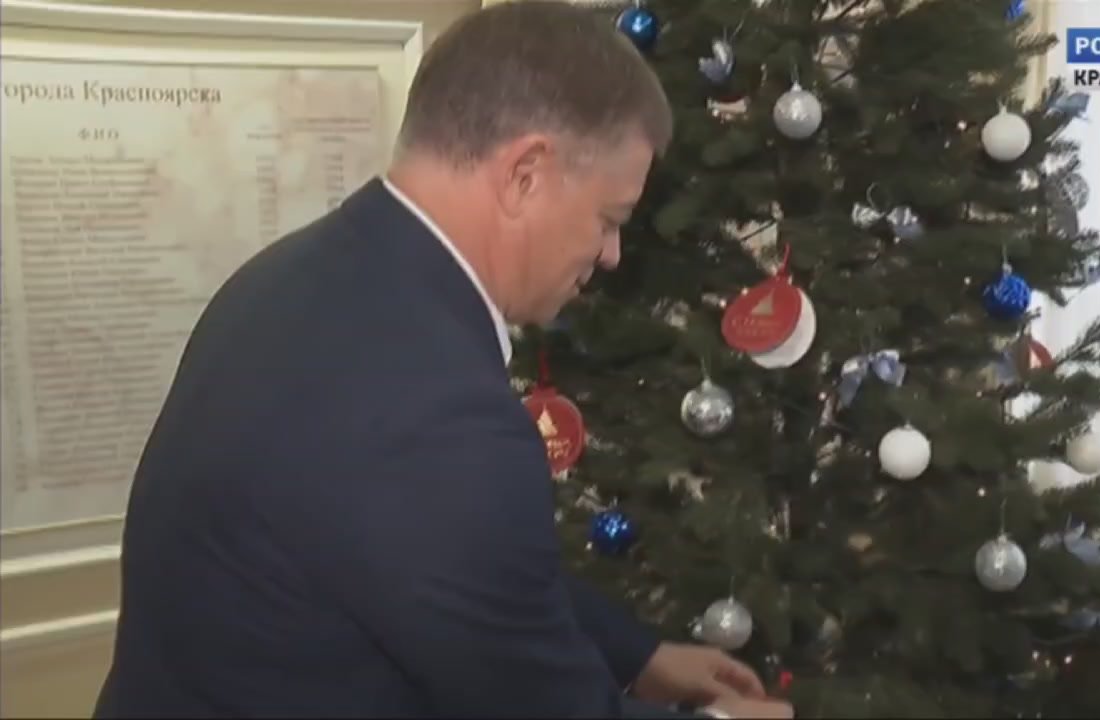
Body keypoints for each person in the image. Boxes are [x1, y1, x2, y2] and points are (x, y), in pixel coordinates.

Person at [93, 2, 794, 718]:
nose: (611, 253)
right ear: (526, 174)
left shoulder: (285, 277)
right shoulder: (442, 413)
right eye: (608, 219)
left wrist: (635, 654)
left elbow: (447, 568)